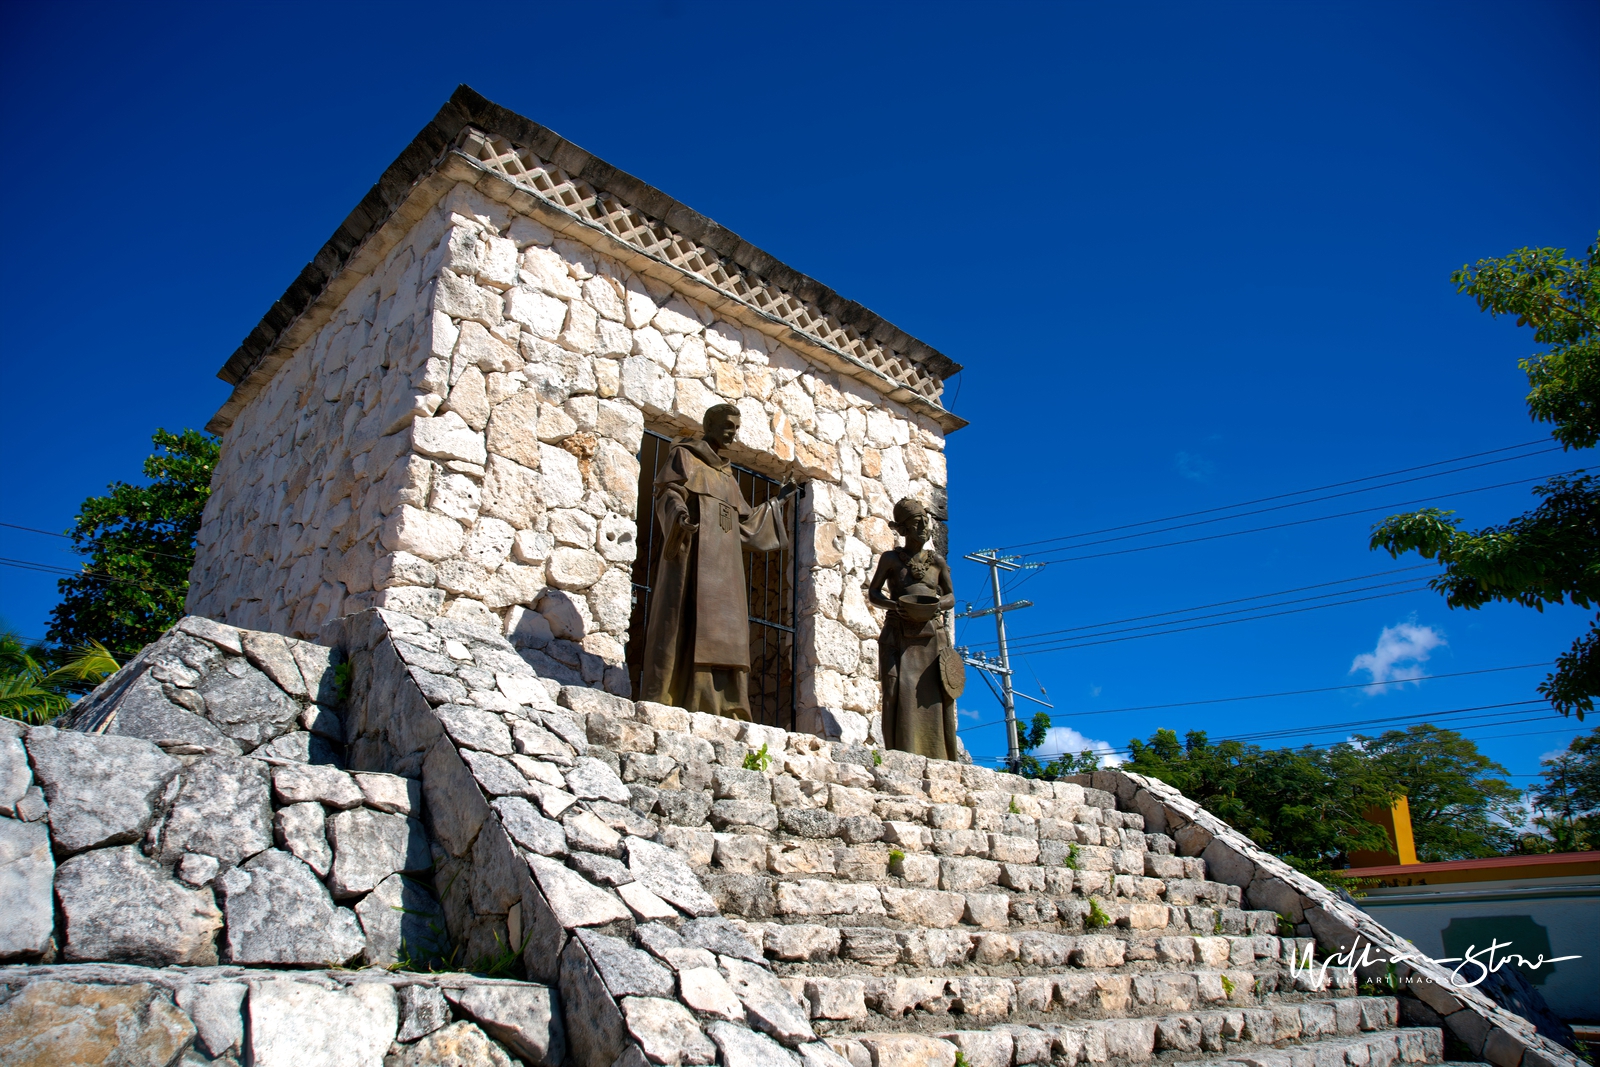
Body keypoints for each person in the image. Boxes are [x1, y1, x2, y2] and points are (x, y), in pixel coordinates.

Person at [639, 403, 794, 718]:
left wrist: (777, 504)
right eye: (726, 424)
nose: (732, 432)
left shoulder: (728, 477)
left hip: (726, 570)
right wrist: (679, 517)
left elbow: (747, 525)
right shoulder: (685, 457)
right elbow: (668, 492)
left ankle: (726, 705)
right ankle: (678, 697)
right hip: (693, 556)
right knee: (685, 620)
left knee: (727, 632)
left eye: (736, 427)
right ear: (708, 424)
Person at [867, 497, 960, 760]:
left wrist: (938, 605)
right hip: (898, 634)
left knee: (936, 694)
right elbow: (873, 592)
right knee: (896, 689)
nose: (924, 527)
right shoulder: (891, 559)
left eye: (926, 521)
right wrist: (893, 605)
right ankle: (899, 751)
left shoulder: (937, 562)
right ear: (904, 529)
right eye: (917, 522)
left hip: (932, 637)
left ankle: (939, 753)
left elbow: (951, 596)